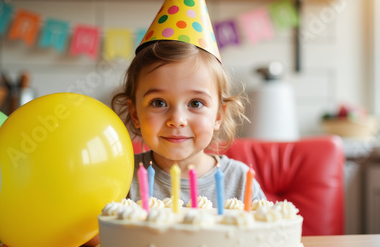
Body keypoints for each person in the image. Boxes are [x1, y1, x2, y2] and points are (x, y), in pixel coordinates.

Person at [111, 40, 266, 207]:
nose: (177, 120)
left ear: (218, 115)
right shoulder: (121, 175)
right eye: (158, 103)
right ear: (135, 114)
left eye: (195, 103)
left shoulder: (241, 181)